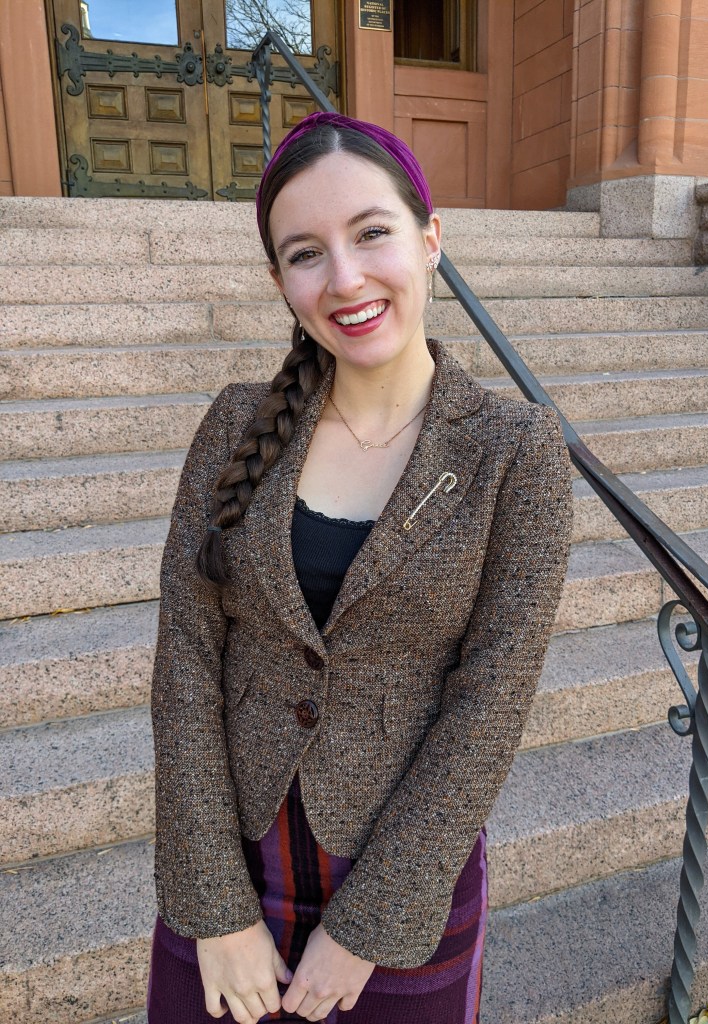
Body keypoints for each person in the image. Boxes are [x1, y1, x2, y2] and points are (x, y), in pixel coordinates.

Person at [146, 111, 573, 1024]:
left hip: (401, 881)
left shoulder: (516, 453)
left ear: (430, 241)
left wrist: (367, 927)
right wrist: (216, 908)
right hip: (229, 857)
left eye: (372, 234)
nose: (345, 279)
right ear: (280, 281)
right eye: (306, 253)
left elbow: (490, 704)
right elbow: (184, 657)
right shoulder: (233, 427)